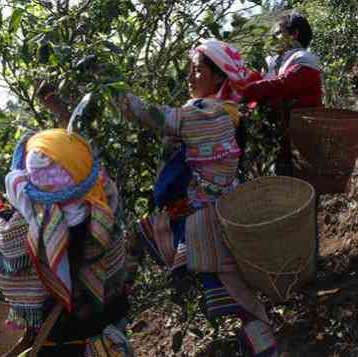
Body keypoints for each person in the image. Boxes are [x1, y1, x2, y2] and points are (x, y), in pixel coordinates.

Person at [113, 39, 281, 357]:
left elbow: (152, 116)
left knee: (239, 296)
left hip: (205, 219)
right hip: (213, 210)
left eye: (197, 70)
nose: (190, 76)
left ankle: (115, 314)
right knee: (239, 296)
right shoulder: (224, 112)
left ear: (218, 78)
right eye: (190, 68)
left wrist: (114, 90)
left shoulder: (209, 113)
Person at [0, 128, 133, 356]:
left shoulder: (23, 230)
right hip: (111, 334)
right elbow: (89, 166)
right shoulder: (106, 203)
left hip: (61, 344)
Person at [242, 11, 323, 176]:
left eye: (278, 33)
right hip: (281, 144)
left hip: (301, 144)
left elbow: (282, 85)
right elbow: (261, 81)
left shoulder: (304, 60)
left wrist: (244, 92)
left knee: (298, 191)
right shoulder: (278, 62)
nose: (273, 39)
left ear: (294, 34)